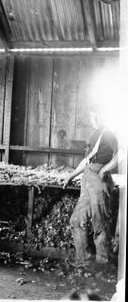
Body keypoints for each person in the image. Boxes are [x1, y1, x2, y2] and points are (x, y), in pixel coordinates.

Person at [63, 106, 118, 265]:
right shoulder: (95, 135)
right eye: (91, 117)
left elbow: (123, 152)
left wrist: (106, 169)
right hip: (87, 177)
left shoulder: (108, 133)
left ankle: (103, 263)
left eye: (96, 117)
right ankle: (84, 260)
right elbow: (87, 160)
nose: (93, 120)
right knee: (76, 220)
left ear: (102, 116)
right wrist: (72, 175)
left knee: (99, 223)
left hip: (98, 179)